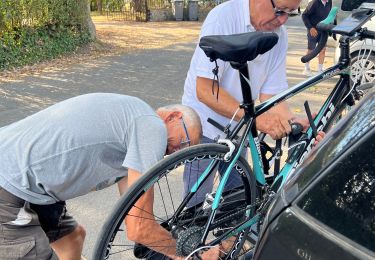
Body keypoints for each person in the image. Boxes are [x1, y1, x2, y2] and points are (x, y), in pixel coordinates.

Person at [0, 93, 219, 260]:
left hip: (34, 186)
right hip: (9, 180)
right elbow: (138, 229)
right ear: (173, 116)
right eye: (183, 144)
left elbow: (135, 210)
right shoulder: (151, 126)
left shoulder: (131, 130)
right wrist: (190, 253)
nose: (174, 154)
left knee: (73, 238)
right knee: (34, 252)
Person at [181, 0, 325, 204]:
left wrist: (292, 121)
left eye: (291, 13)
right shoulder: (223, 17)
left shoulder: (277, 35)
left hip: (239, 129)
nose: (282, 20)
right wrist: (257, 120)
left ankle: (232, 235)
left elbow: (272, 95)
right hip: (204, 124)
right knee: (194, 211)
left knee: (239, 205)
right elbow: (205, 90)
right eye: (279, 11)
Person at [301, 0, 332, 76]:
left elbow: (329, 15)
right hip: (313, 30)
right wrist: (310, 28)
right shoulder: (314, 2)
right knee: (311, 50)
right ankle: (306, 69)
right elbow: (304, 15)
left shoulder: (329, 2)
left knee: (323, 50)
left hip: (324, 30)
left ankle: (320, 70)